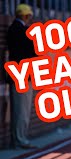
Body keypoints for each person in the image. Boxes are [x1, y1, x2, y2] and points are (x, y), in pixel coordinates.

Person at [6, 4, 37, 149]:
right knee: (21, 110)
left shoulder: (13, 29)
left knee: (20, 110)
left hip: (18, 74)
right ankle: (20, 139)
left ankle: (19, 138)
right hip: (23, 75)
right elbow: (34, 50)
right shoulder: (22, 31)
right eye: (29, 16)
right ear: (25, 16)